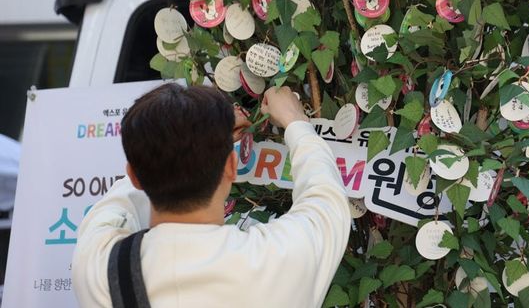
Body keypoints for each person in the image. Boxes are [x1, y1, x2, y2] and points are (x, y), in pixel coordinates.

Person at [72, 84, 351, 308]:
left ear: (134, 176)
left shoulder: (102, 270)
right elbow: (325, 198)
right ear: (231, 167)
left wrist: (186, 147)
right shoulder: (274, 258)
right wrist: (295, 121)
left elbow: (111, 208)